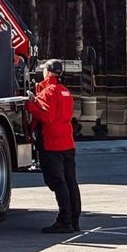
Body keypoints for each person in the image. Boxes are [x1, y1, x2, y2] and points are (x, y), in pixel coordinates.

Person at [26, 59, 81, 233]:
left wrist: (30, 104)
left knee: (58, 182)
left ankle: (64, 221)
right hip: (67, 143)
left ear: (48, 72)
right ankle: (74, 220)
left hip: (52, 144)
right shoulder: (65, 91)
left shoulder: (48, 92)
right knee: (71, 182)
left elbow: (46, 117)